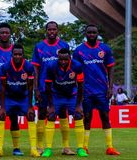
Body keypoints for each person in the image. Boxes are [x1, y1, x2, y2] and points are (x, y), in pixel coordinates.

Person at [73, 24, 120, 155]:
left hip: (102, 90)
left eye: (94, 33)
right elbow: (75, 72)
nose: (92, 35)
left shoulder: (104, 48)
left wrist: (110, 87)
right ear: (85, 34)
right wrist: (78, 90)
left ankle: (110, 147)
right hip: (86, 91)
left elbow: (110, 69)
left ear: (97, 33)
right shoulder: (78, 51)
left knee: (105, 116)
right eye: (89, 33)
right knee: (87, 118)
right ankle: (84, 147)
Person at [31, 21, 74, 155]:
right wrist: (36, 88)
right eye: (49, 29)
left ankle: (66, 147)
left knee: (63, 114)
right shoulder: (39, 46)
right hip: (44, 87)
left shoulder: (64, 45)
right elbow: (35, 69)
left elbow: (68, 66)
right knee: (43, 114)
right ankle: (39, 146)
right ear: (46, 31)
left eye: (54, 29)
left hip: (60, 87)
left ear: (57, 30)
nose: (51, 32)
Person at [0, 44, 40, 157]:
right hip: (9, 97)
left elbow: (30, 87)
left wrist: (30, 106)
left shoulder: (28, 67)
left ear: (23, 55)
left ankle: (34, 149)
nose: (18, 56)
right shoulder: (5, 67)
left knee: (31, 116)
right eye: (15, 54)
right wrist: (2, 106)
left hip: (23, 98)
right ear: (12, 55)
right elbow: (3, 87)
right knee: (1, 115)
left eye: (20, 54)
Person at [43, 48, 88, 157]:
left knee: (78, 115)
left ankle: (80, 148)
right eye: (61, 60)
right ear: (58, 58)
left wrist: (78, 105)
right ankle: (48, 148)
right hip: (57, 95)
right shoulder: (51, 66)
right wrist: (51, 106)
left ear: (70, 58)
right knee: (51, 116)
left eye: (66, 60)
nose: (63, 62)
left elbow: (81, 86)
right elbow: (48, 86)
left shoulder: (77, 66)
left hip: (72, 95)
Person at [0, 22, 22, 155]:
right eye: (2, 32)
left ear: (10, 34)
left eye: (7, 32)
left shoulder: (16, 51)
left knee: (14, 118)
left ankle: (16, 148)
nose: (4, 35)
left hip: (13, 92)